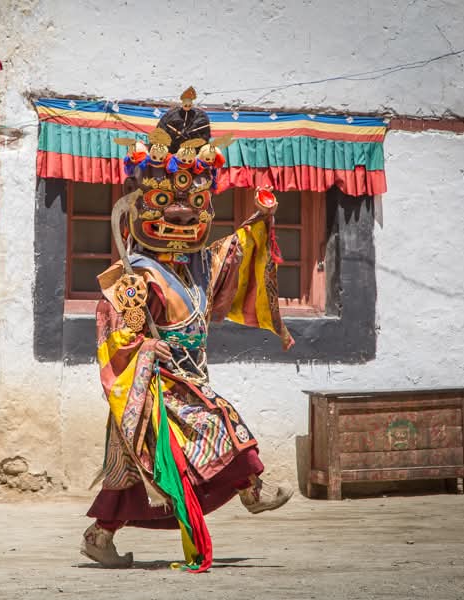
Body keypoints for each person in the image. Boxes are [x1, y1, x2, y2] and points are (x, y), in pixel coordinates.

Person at [80, 88, 294, 572]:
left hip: (189, 380)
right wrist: (144, 346)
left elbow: (231, 258)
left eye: (194, 203)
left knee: (138, 472)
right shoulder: (134, 277)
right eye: (162, 200)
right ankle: (253, 490)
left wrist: (261, 222)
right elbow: (119, 336)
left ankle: (100, 536)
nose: (180, 212)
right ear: (138, 208)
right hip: (154, 389)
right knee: (217, 427)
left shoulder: (195, 267)